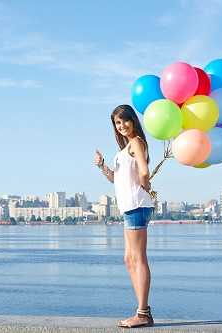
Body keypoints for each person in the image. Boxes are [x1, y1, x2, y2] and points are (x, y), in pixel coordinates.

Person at [94, 104, 155, 328]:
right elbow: (116, 179)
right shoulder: (125, 148)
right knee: (129, 259)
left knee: (138, 259)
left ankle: (143, 313)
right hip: (130, 207)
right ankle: (142, 311)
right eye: (117, 123)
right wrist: (102, 166)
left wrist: (146, 186)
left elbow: (144, 171)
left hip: (137, 205)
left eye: (124, 121)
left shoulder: (137, 142)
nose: (121, 126)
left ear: (133, 120)